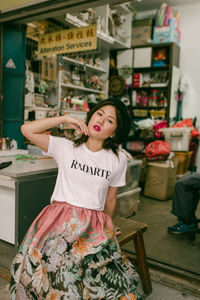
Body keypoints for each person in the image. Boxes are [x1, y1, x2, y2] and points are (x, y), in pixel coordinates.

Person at [10, 98, 144, 299]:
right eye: (99, 114)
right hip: (58, 220)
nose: (101, 120)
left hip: (93, 223)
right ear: (91, 116)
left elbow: (111, 198)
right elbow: (26, 130)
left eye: (109, 120)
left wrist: (110, 225)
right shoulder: (66, 147)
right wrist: (63, 118)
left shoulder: (118, 158)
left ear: (114, 132)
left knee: (106, 278)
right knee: (54, 271)